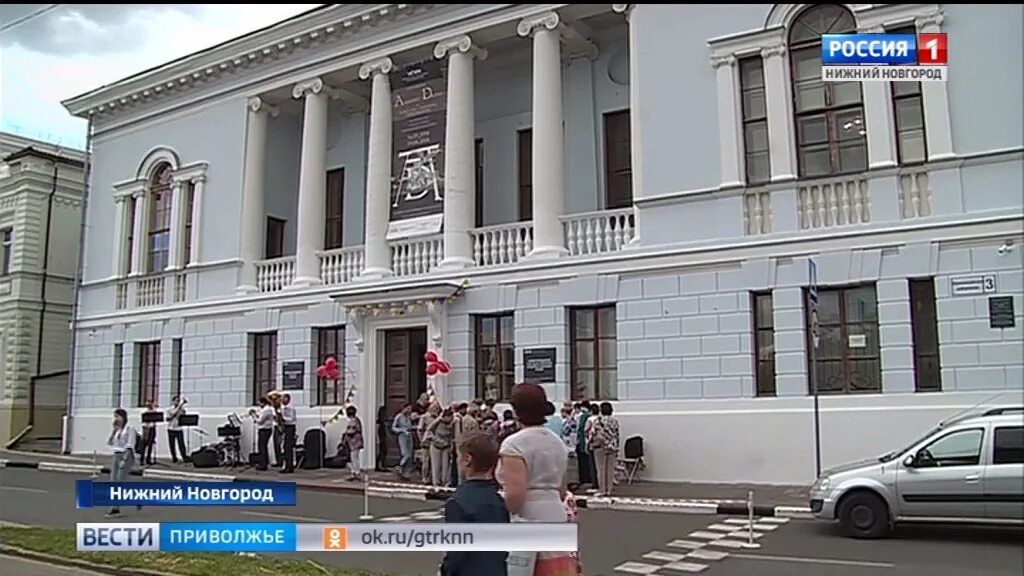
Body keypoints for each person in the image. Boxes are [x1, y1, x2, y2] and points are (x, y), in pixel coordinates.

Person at [497, 383, 578, 575]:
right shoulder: (556, 442)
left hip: (528, 517)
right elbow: (561, 489)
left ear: (515, 410)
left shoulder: (514, 444)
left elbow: (516, 495)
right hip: (555, 513)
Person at [440, 433, 509, 576]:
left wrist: (446, 570)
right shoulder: (499, 500)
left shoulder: (458, 502)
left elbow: (457, 551)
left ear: (467, 459)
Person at [106, 408, 142, 517]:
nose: (116, 419)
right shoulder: (117, 430)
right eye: (115, 417)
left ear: (123, 417)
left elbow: (130, 445)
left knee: (119, 482)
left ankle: (115, 508)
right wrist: (113, 431)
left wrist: (125, 460)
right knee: (113, 481)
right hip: (116, 455)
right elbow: (110, 442)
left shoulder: (130, 429)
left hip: (126, 456)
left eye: (118, 417)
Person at [586, 402, 621, 496]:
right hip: (612, 446)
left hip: (601, 446)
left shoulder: (599, 420)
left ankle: (602, 490)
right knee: (610, 470)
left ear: (601, 410)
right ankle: (609, 490)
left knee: (601, 469)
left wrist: (590, 444)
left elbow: (593, 433)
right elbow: (617, 434)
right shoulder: (615, 421)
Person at [428, 407, 455, 487]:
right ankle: (436, 483)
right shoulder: (437, 422)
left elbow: (452, 435)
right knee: (436, 466)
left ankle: (446, 482)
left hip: (446, 446)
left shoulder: (453, 423)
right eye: (448, 417)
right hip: (436, 445)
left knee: (446, 466)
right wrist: (435, 439)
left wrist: (451, 446)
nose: (450, 418)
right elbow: (429, 430)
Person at [391, 404, 415, 480]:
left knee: (410, 455)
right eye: (408, 408)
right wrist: (402, 430)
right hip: (402, 436)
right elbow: (393, 427)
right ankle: (399, 466)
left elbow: (410, 426)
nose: (409, 410)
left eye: (410, 409)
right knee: (405, 453)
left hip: (409, 436)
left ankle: (405, 473)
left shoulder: (409, 417)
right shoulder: (399, 417)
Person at [419, 402, 440, 484]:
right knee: (426, 461)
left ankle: (433, 478)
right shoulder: (424, 417)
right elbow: (420, 429)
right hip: (427, 440)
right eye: (434, 408)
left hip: (437, 441)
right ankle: (425, 477)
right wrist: (421, 439)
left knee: (435, 461)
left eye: (437, 408)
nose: (435, 409)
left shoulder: (439, 417)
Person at [342, 405, 364, 480]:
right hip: (354, 442)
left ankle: (356, 472)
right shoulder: (356, 420)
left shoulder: (353, 421)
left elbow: (351, 431)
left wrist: (346, 434)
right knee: (353, 457)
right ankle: (354, 472)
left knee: (353, 457)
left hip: (354, 442)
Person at [165, 395, 189, 464]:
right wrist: (180, 406)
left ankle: (184, 457)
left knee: (181, 444)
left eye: (178, 401)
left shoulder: (181, 409)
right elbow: (171, 416)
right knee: (172, 445)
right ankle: (174, 458)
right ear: (173, 401)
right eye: (176, 401)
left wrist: (182, 411)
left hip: (179, 428)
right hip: (171, 429)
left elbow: (183, 417)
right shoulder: (169, 410)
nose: (178, 402)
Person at [574, 402, 593, 488]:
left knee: (583, 462)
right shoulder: (590, 416)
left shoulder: (582, 416)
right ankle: (588, 478)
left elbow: (580, 428)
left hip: (582, 442)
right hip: (588, 441)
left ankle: (584, 479)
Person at [255, 397, 275, 471]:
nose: (259, 404)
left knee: (262, 447)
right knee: (263, 447)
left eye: (259, 403)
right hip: (267, 429)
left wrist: (254, 416)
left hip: (264, 430)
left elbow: (260, 421)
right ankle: (264, 463)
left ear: (263, 403)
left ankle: (263, 464)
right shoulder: (267, 409)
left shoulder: (266, 410)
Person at [279, 393, 297, 474]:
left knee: (288, 447)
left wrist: (282, 418)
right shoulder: (283, 407)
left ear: (287, 399)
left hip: (290, 427)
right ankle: (285, 465)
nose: (281, 400)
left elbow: (291, 419)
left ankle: (289, 466)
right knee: (285, 447)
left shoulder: (290, 408)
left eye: (283, 398)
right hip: (286, 427)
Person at [375, 405, 389, 472]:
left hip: (383, 437)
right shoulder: (379, 422)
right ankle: (379, 465)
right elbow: (378, 430)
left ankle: (382, 465)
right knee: (381, 452)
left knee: (384, 451)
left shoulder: (383, 422)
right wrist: (378, 439)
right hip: (381, 438)